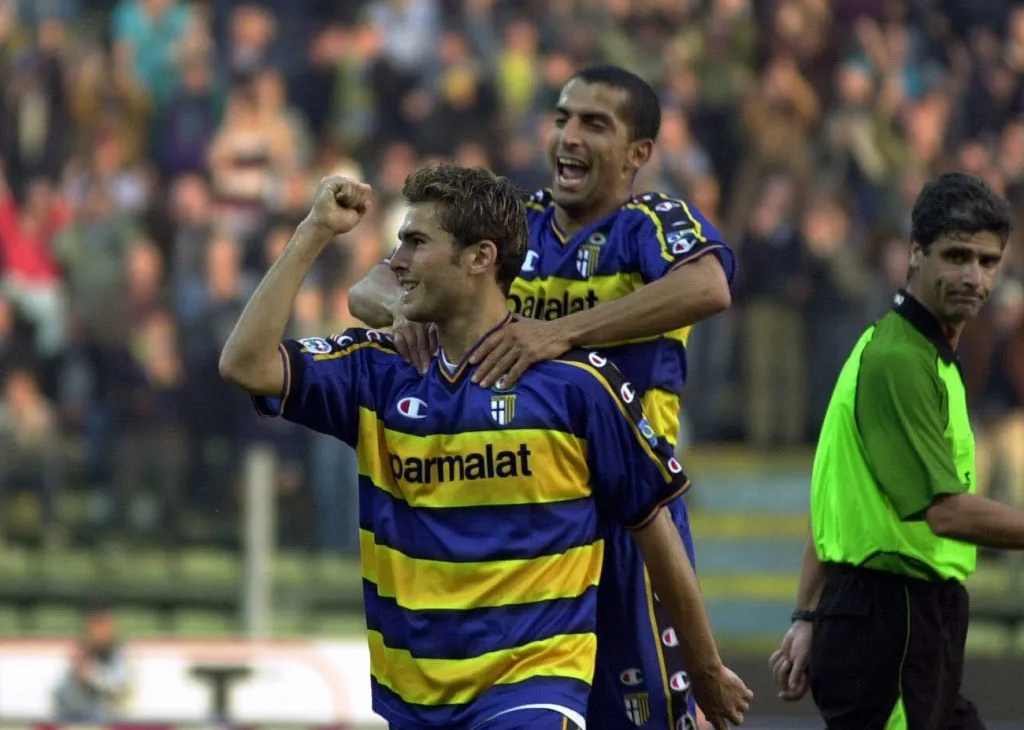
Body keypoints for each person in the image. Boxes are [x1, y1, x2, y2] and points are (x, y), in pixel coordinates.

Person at [219, 165, 753, 730]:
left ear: (480, 257)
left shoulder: (578, 387)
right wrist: (314, 230)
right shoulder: (377, 371)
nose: (396, 262)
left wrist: (706, 668)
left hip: (533, 689)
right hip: (415, 699)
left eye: (416, 242)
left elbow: (654, 527)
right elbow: (244, 363)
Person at [348, 65, 734, 730]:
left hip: (629, 513)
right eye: (561, 118)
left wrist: (562, 331)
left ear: (638, 153)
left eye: (594, 123)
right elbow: (368, 290)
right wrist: (408, 309)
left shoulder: (649, 222)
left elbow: (708, 287)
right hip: (531, 521)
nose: (568, 135)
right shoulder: (514, 221)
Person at [769, 172, 1022, 730]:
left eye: (988, 261)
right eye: (956, 256)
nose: (974, 277)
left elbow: (834, 500)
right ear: (915, 253)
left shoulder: (910, 351)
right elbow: (945, 512)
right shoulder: (899, 361)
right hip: (892, 620)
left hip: (901, 617)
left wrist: (807, 613)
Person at [54, 603, 132, 722]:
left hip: (114, 720)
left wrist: (91, 675)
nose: (97, 632)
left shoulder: (120, 653)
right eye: (93, 626)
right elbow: (61, 695)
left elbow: (119, 686)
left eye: (101, 625)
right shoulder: (82, 652)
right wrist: (77, 674)